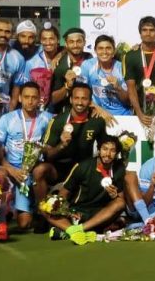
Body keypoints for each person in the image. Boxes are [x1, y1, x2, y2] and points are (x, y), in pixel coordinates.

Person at [39, 82, 108, 228]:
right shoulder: (57, 121)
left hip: (82, 171)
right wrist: (62, 145)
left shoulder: (97, 122)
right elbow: (47, 154)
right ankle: (42, 215)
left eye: (84, 99)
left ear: (90, 101)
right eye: (76, 98)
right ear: (70, 99)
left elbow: (104, 149)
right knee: (40, 170)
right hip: (59, 169)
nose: (80, 102)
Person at [0, 82, 53, 240]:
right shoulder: (7, 119)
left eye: (34, 97)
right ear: (19, 98)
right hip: (13, 170)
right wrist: (8, 167)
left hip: (33, 171)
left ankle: (25, 206)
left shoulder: (47, 118)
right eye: (26, 97)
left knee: (24, 224)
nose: (30, 101)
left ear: (40, 99)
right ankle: (2, 223)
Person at [46, 135, 127, 245]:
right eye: (104, 149)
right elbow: (63, 194)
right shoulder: (83, 166)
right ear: (98, 150)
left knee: (120, 203)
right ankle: (76, 230)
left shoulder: (119, 168)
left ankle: (75, 230)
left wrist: (114, 196)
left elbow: (121, 201)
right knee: (46, 206)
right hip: (77, 212)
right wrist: (68, 212)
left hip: (100, 214)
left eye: (112, 150)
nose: (108, 154)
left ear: (117, 153)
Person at [124, 16, 155, 122]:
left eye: (152, 30)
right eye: (144, 30)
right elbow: (131, 88)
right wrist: (139, 113)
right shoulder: (131, 56)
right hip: (139, 111)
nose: (148, 33)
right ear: (140, 33)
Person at [79, 35, 132, 116]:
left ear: (114, 51)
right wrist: (96, 108)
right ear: (95, 51)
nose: (104, 52)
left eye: (108, 48)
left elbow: (128, 101)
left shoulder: (122, 68)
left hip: (122, 115)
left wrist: (118, 88)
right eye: (100, 48)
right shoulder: (87, 65)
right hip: (98, 113)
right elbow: (79, 92)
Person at [17, 24, 60, 111]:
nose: (48, 43)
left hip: (60, 105)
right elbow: (26, 87)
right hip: (38, 108)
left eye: (51, 39)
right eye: (44, 39)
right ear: (40, 41)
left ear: (57, 40)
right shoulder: (31, 63)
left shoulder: (64, 57)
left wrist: (60, 55)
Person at [50, 27, 92, 114]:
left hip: (88, 112)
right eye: (71, 42)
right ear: (66, 44)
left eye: (79, 41)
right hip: (64, 112)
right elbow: (53, 99)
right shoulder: (59, 66)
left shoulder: (90, 59)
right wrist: (67, 87)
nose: (75, 45)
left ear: (84, 42)